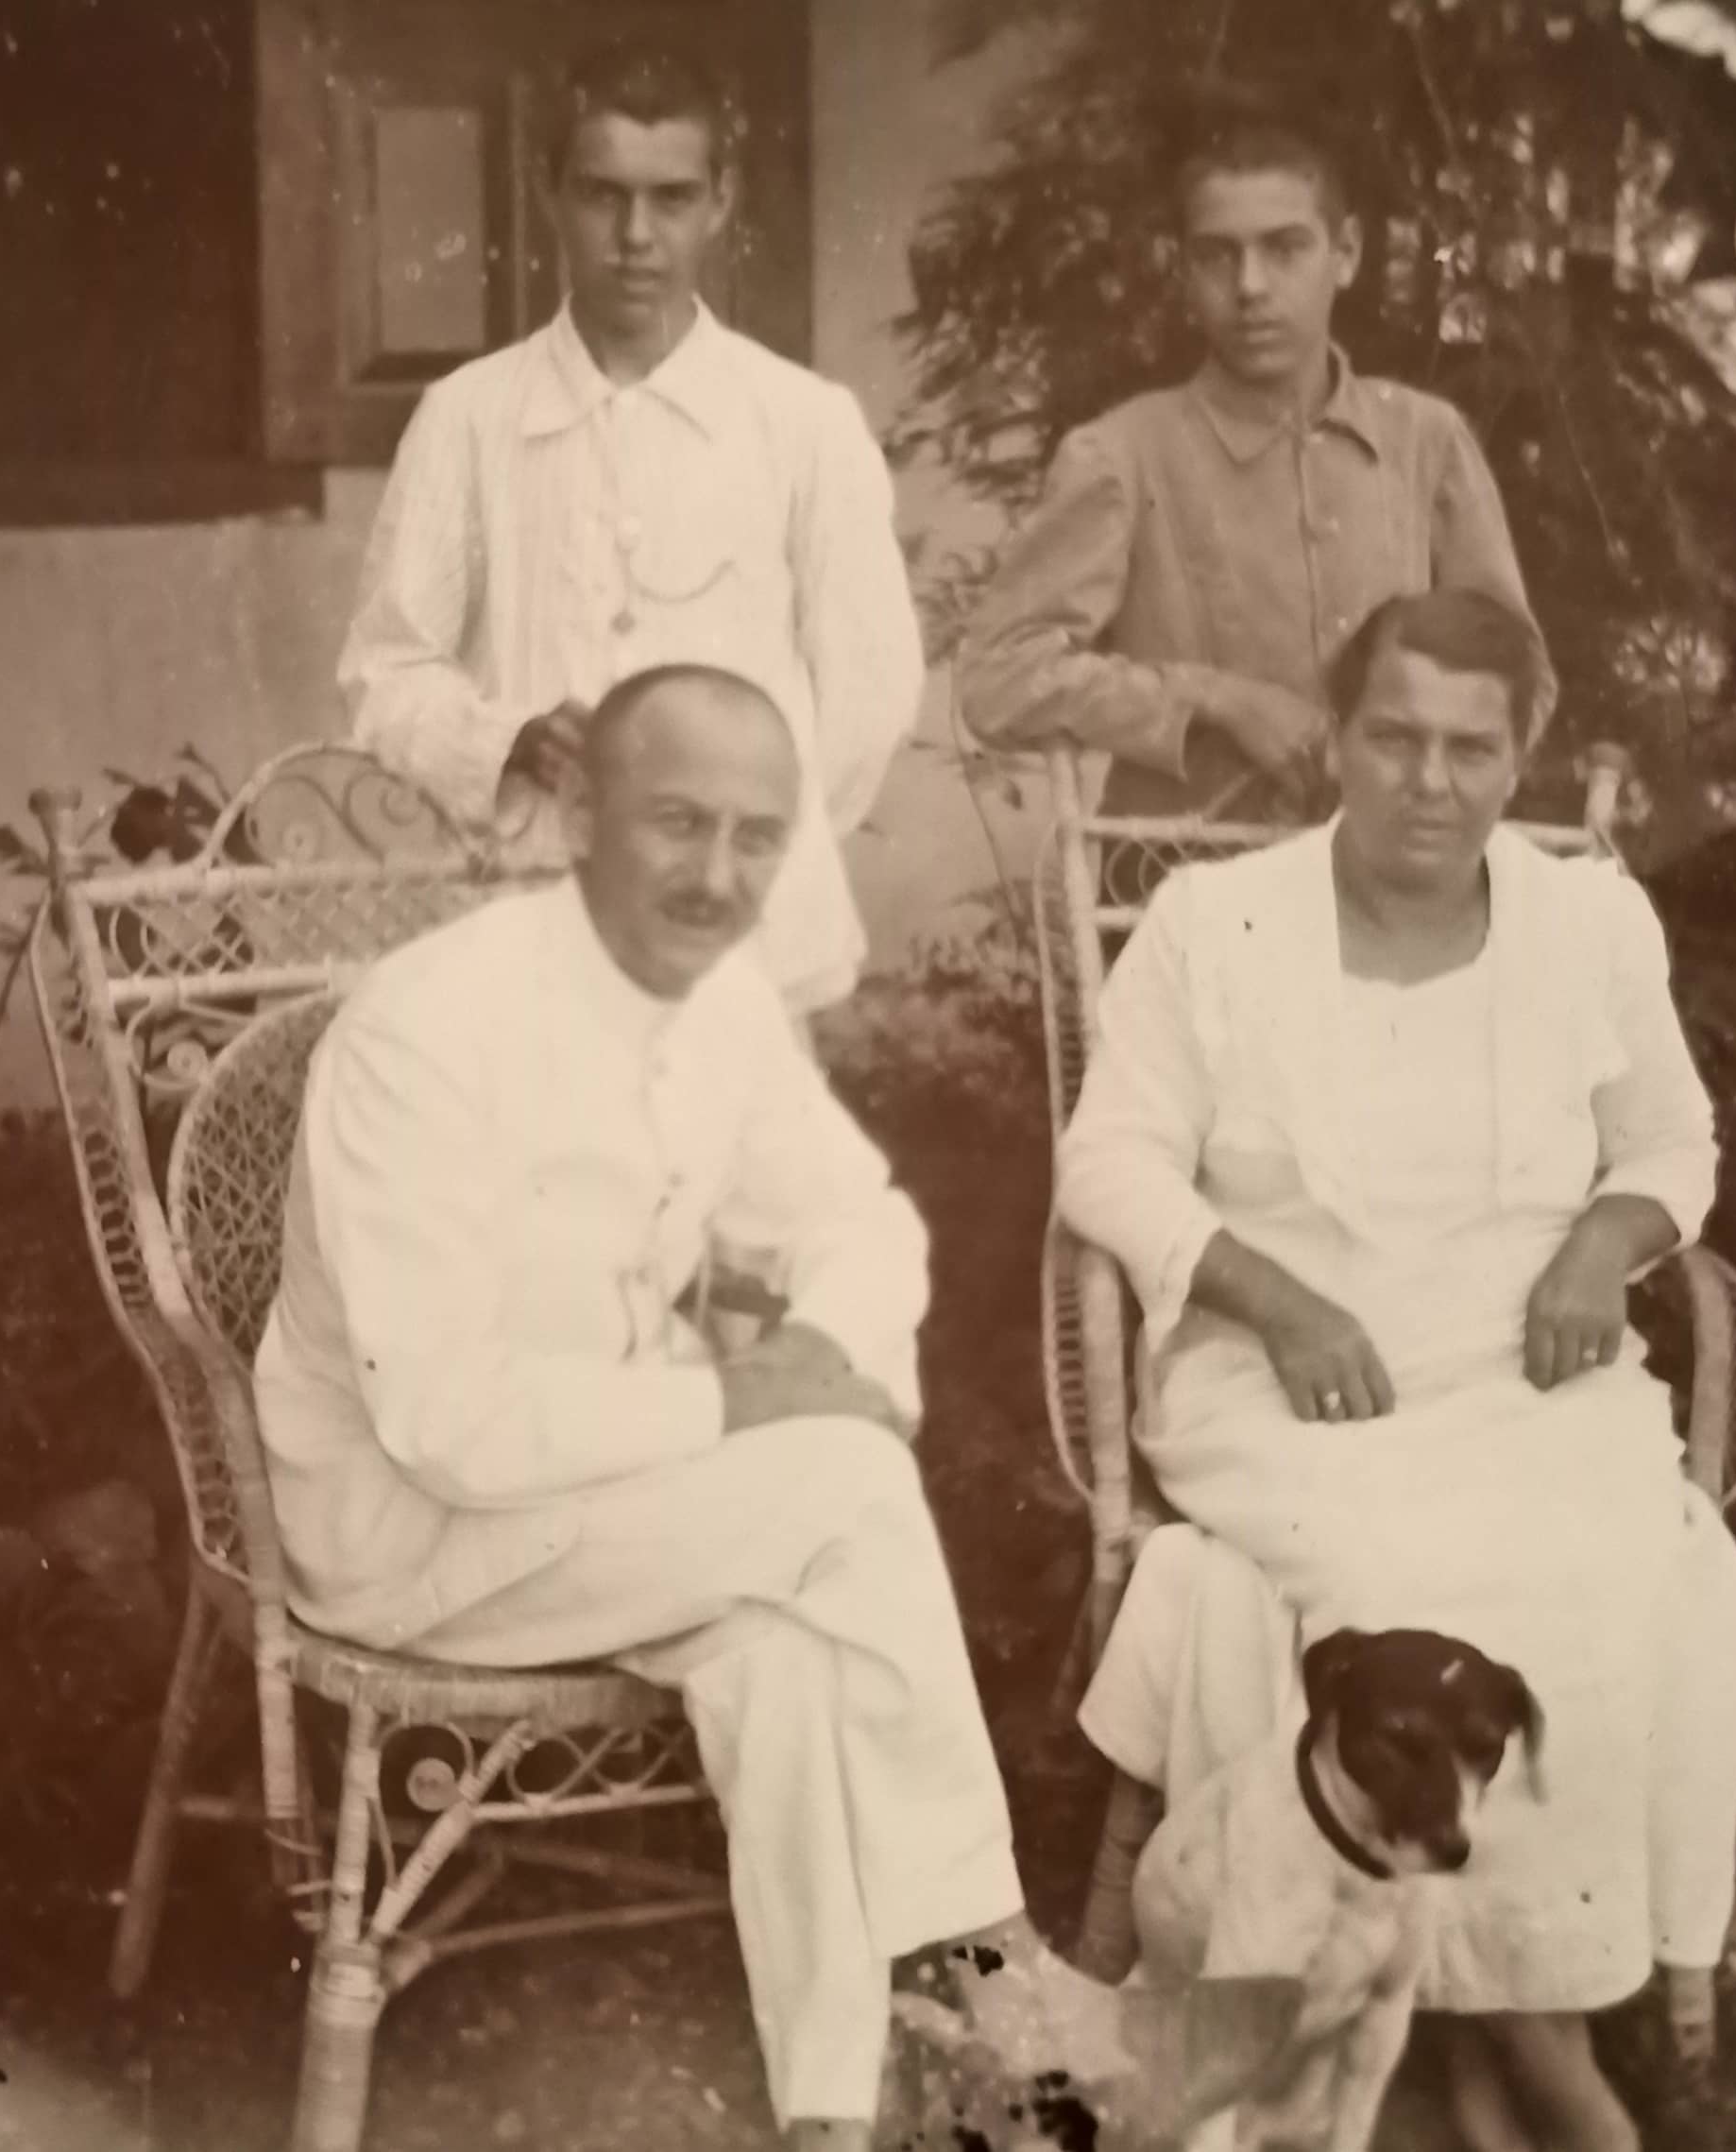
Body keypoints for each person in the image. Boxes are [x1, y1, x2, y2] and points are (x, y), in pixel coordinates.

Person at [254, 662, 1123, 2150]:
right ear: (583, 810)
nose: (717, 876)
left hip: (606, 1507)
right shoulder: (427, 1031)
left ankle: (828, 2119)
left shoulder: (719, 1007)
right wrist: (753, 1406)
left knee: (794, 1649)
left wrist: (822, 1368)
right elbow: (444, 1419)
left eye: (754, 836)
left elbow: (866, 1230)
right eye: (677, 823)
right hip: (412, 1531)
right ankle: (993, 1963)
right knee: (840, 1494)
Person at [1057, 590, 1736, 2152]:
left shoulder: (1592, 920)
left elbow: (1671, 1142)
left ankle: (1491, 2036)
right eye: (1395, 737)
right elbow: (1108, 1165)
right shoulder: (1214, 924)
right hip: (1294, 1386)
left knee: (1624, 1556)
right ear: (1339, 737)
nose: (1429, 781)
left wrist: (1599, 1250)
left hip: (1528, 1378)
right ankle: (1541, 2052)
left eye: (1471, 747)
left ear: (1522, 760)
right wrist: (1270, 1295)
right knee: (1402, 1577)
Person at [337, 39, 923, 1016]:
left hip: (748, 951)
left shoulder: (802, 422)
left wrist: (745, 860)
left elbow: (871, 689)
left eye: (672, 198)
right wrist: (501, 742)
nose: (636, 235)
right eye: (604, 194)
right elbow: (384, 673)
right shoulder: (468, 417)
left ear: (722, 201)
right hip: (533, 923)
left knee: (740, 1168)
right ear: (549, 193)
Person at [957, 82, 1553, 832]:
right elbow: (997, 679)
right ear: (1183, 273)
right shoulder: (1122, 457)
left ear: (1346, 254)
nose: (1250, 286)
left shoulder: (1426, 441)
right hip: (1184, 886)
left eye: (1285, 248)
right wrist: (1215, 698)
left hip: (1389, 884)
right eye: (1217, 256)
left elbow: (1522, 677)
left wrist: (1413, 771)